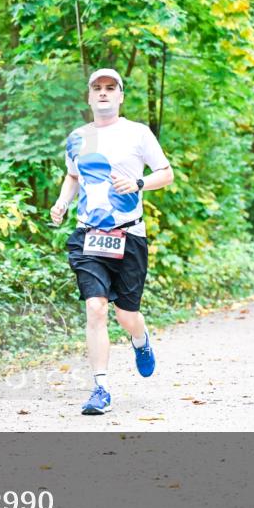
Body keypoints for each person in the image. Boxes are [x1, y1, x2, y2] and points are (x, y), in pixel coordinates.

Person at [49, 69, 173, 415]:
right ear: (89, 97)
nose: (103, 93)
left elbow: (166, 173)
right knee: (95, 307)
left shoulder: (137, 133)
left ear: (120, 96)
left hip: (129, 234)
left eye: (110, 88)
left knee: (126, 314)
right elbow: (73, 176)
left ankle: (140, 340)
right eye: (97, 88)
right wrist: (62, 202)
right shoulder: (78, 137)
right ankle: (100, 388)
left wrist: (138, 184)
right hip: (89, 234)